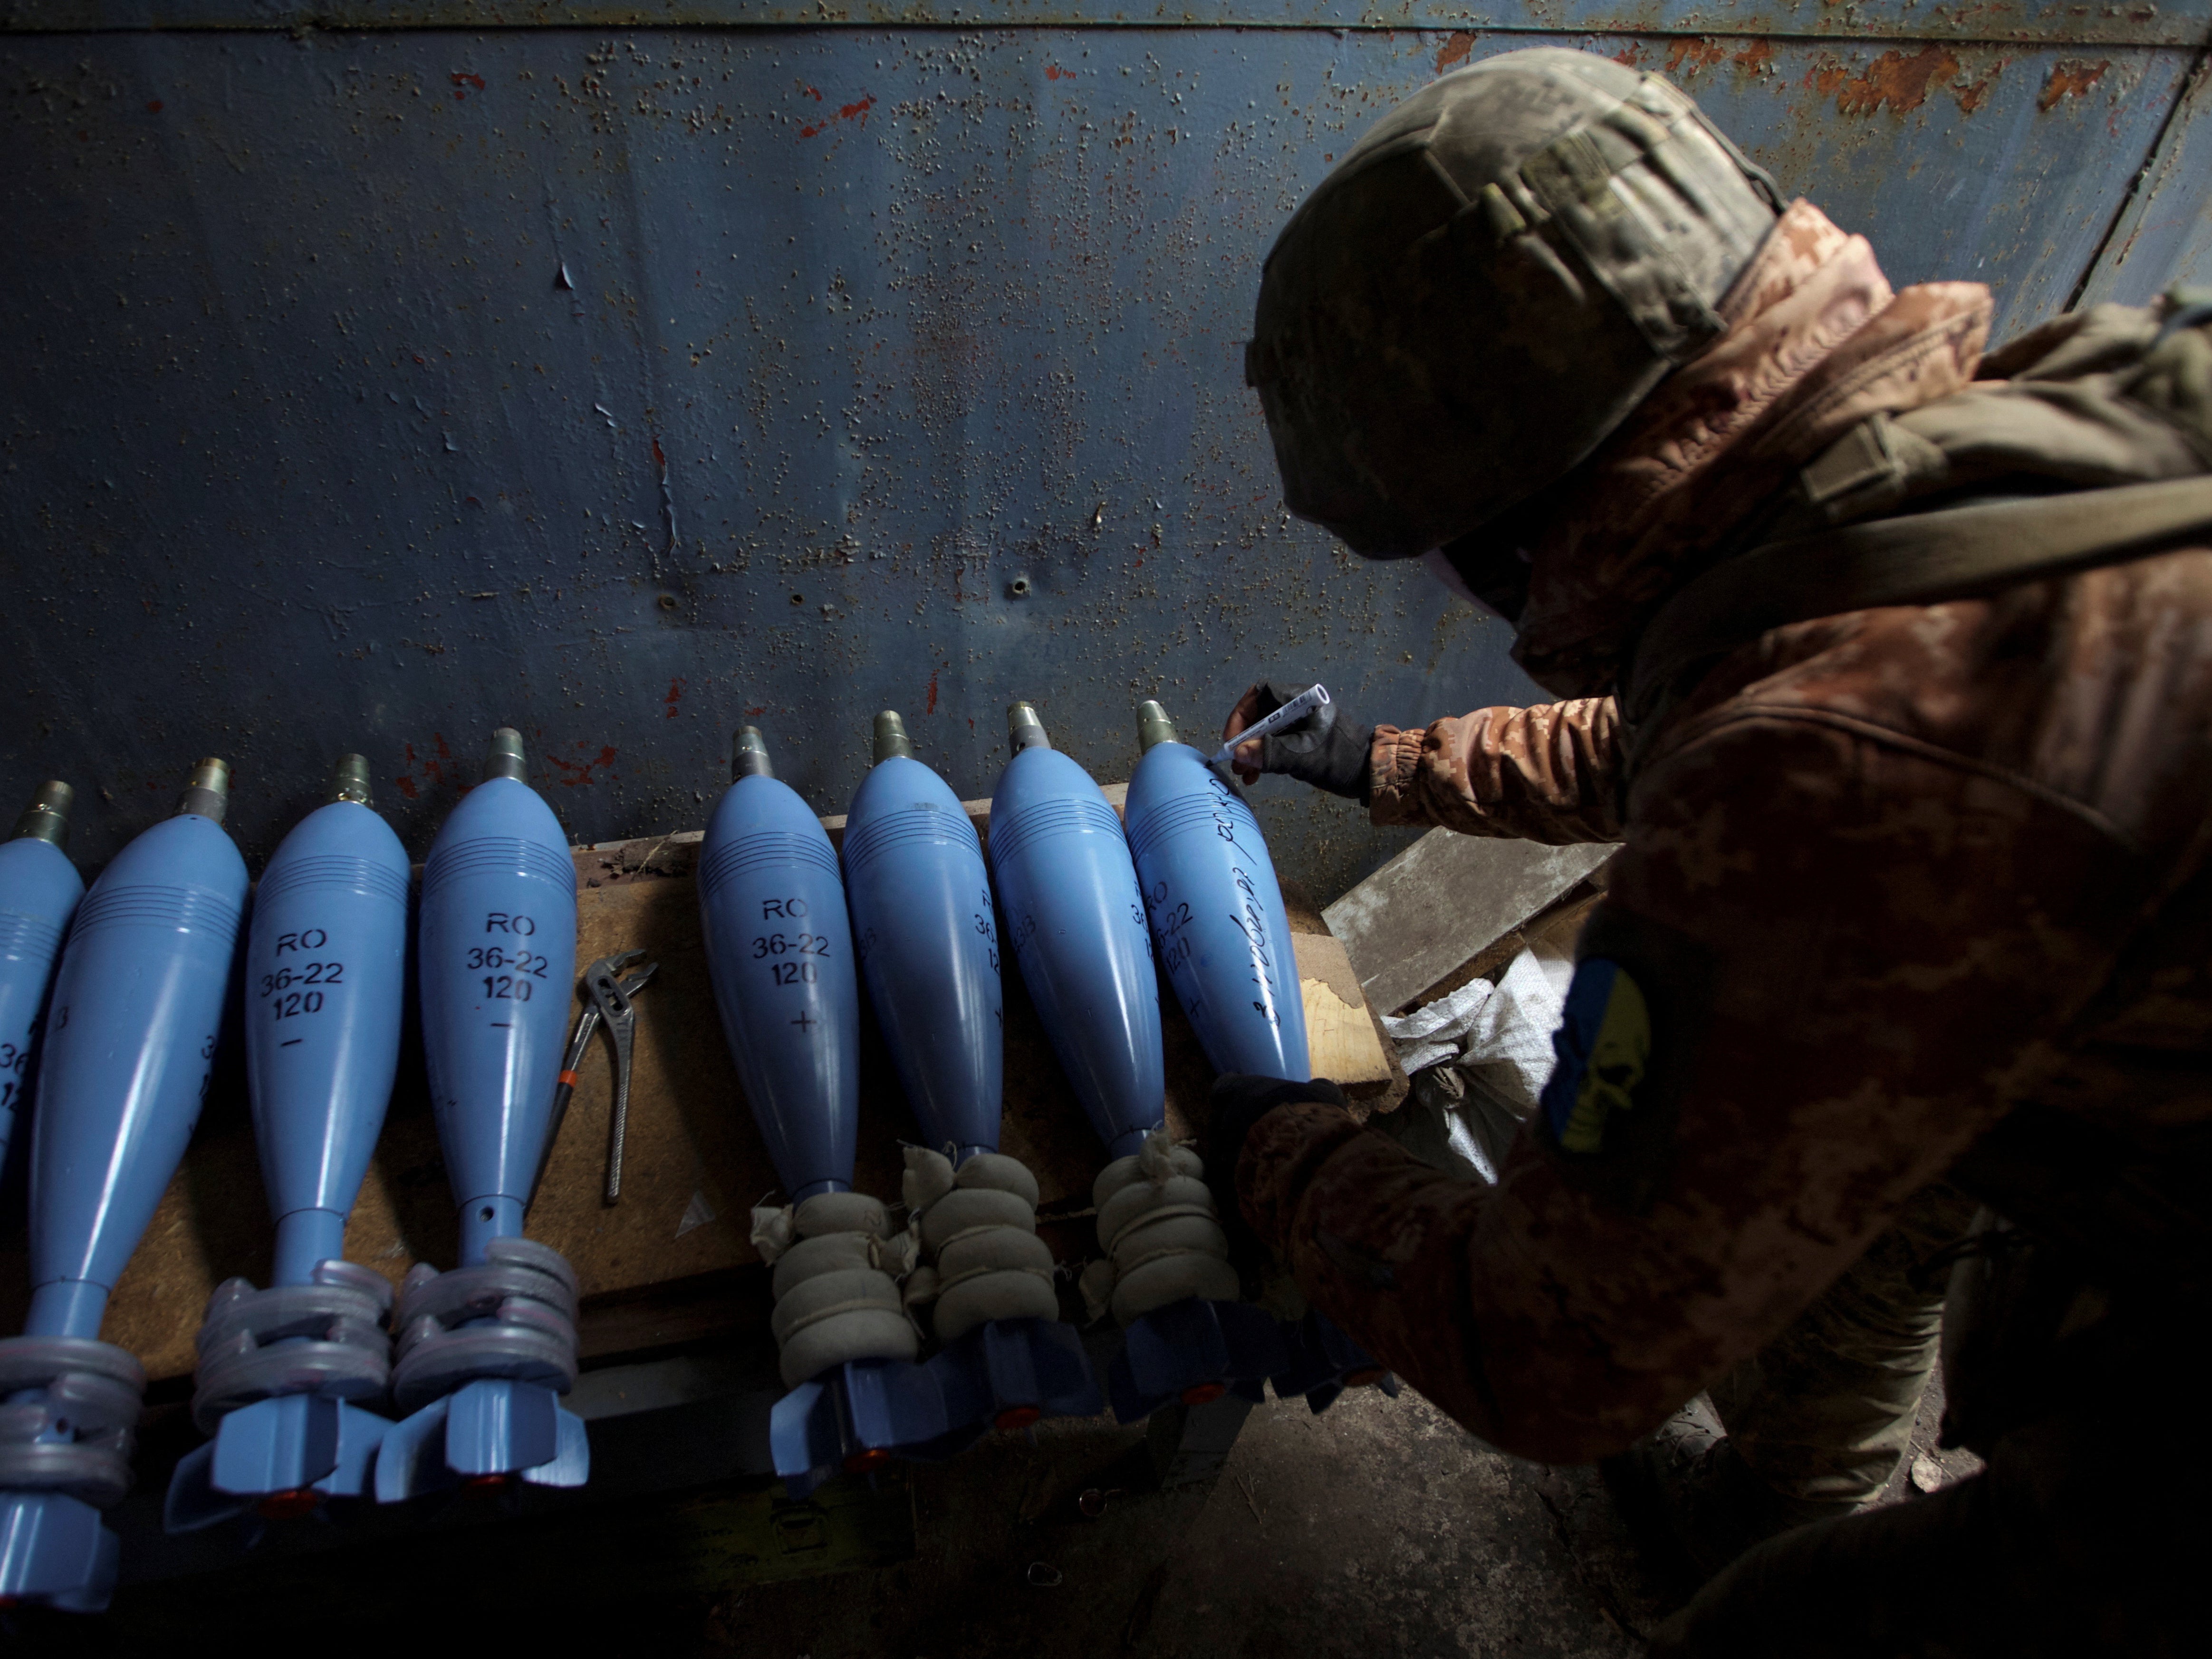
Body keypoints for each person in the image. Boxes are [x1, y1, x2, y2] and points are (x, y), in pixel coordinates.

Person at [1207, 46, 2212, 1657]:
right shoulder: (2027, 429)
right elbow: (1732, 725)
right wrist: (1395, 764)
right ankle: (1785, 1474)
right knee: (1865, 1190)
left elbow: (1545, 1348)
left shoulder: (1833, 787)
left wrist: (1279, 1147)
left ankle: (1780, 1532)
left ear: (1509, 531)